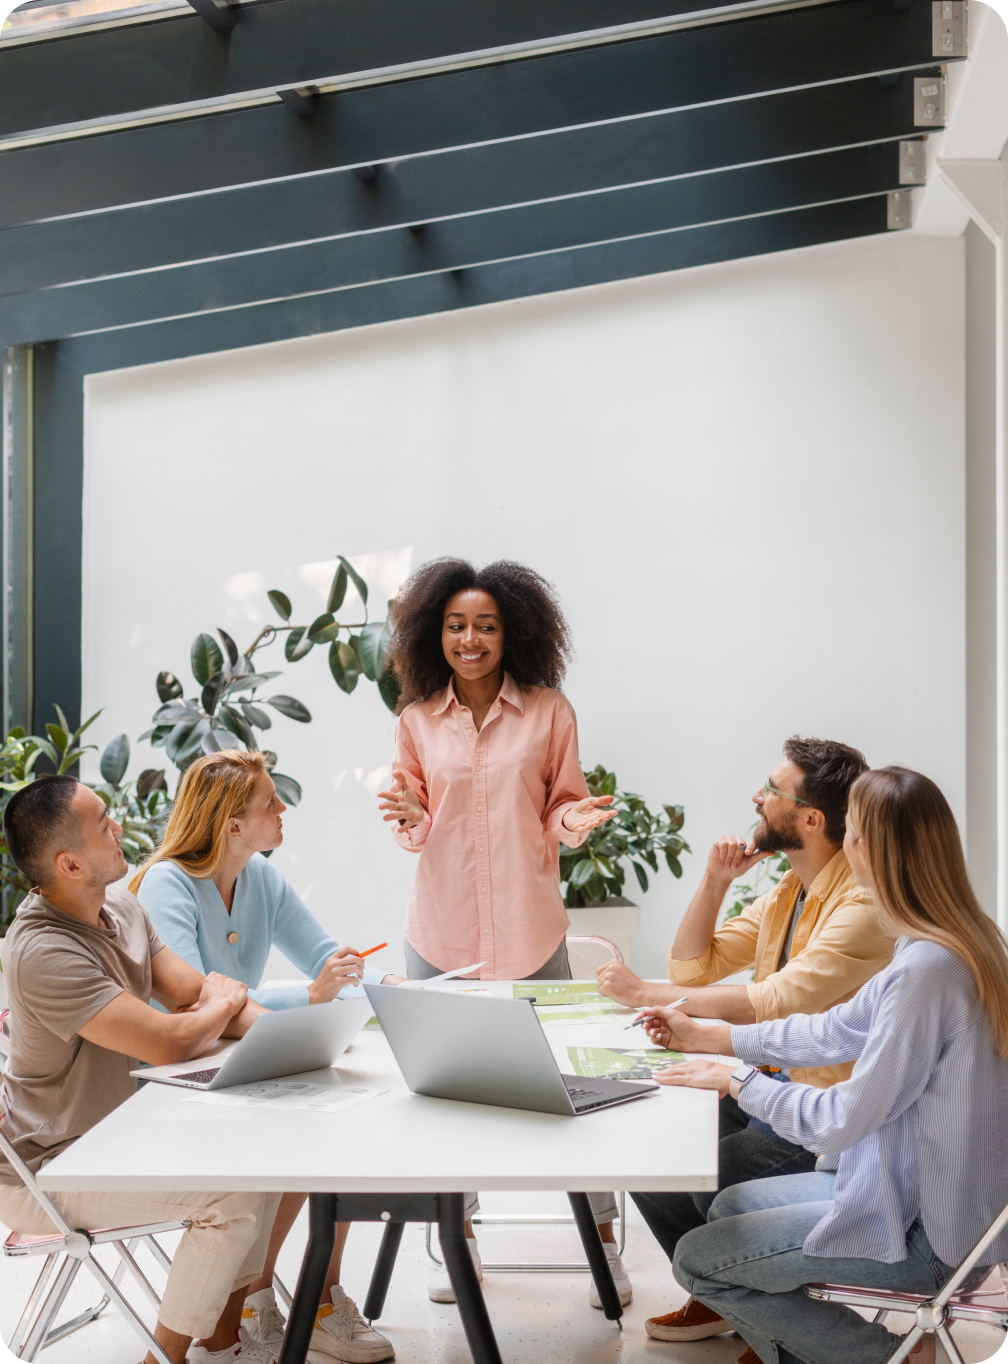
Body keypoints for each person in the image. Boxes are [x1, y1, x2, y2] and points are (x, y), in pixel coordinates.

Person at [634, 766, 1008, 1364]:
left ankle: (888, 1355)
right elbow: (835, 1028)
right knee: (728, 1207)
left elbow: (842, 1121)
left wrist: (738, 1079)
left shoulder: (927, 971)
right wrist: (713, 1037)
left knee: (699, 1261)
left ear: (870, 850)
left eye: (852, 833)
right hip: (910, 1191)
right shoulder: (952, 939)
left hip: (931, 1235)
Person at [376, 557, 627, 1308]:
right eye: (456, 625)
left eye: (485, 624)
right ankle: (457, 1238)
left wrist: (574, 821)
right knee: (447, 1096)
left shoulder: (551, 711)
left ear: (511, 631)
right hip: (440, 932)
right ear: (435, 633)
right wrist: (412, 820)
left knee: (571, 1087)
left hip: (529, 931)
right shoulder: (416, 721)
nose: (470, 638)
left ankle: (604, 1242)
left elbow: (561, 805)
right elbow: (415, 819)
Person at [597, 737, 896, 1342]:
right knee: (649, 1148)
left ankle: (767, 1314)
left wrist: (644, 996)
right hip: (763, 1076)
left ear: (811, 818)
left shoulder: (861, 903)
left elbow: (781, 999)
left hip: (823, 1110)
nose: (757, 799)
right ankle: (726, 1299)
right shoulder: (790, 889)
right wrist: (713, 880)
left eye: (772, 791)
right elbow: (692, 967)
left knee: (722, 1170)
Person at [0, 775, 282, 1364]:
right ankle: (166, 1358)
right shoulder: (42, 951)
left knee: (269, 1149)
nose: (119, 827)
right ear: (69, 864)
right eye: (104, 822)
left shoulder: (120, 906)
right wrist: (225, 1001)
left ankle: (226, 1337)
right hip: (52, 1166)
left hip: (117, 1139)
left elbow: (189, 994)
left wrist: (285, 1038)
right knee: (229, 1195)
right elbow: (173, 1040)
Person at [133, 748, 399, 1364]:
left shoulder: (260, 877)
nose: (283, 808)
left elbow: (329, 961)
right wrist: (304, 996)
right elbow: (193, 1000)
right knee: (302, 1143)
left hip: (243, 1053)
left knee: (335, 1130)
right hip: (180, 1075)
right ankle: (265, 1300)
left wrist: (395, 989)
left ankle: (312, 1298)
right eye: (270, 802)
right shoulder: (167, 882)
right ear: (231, 824)